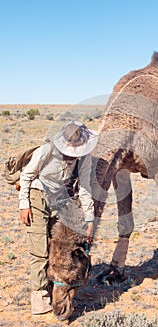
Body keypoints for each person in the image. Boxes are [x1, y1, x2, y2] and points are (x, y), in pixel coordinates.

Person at [19, 121, 98, 315]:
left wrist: (89, 220)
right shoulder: (47, 150)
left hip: (61, 201)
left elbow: (85, 188)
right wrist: (24, 205)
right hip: (37, 196)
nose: (70, 154)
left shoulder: (84, 157)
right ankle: (40, 300)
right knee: (39, 250)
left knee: (56, 249)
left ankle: (57, 291)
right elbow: (27, 176)